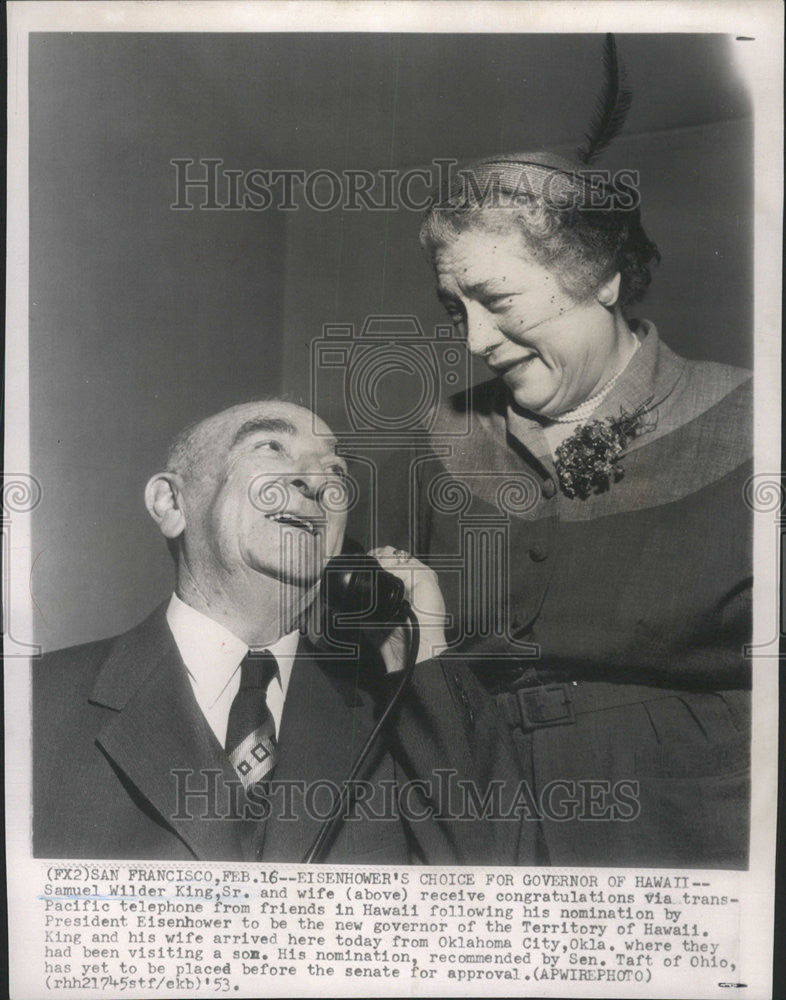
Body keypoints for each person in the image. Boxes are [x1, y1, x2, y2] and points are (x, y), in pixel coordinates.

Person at [402, 150, 752, 868]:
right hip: (475, 816)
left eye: (496, 300)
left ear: (602, 278)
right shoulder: (438, 441)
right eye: (455, 309)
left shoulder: (754, 421)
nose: (474, 341)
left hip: (689, 829)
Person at [33, 399, 523, 863]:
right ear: (171, 503)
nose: (316, 481)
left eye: (335, 470)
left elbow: (506, 894)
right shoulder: (34, 702)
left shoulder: (391, 717)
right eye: (270, 447)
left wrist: (422, 654)